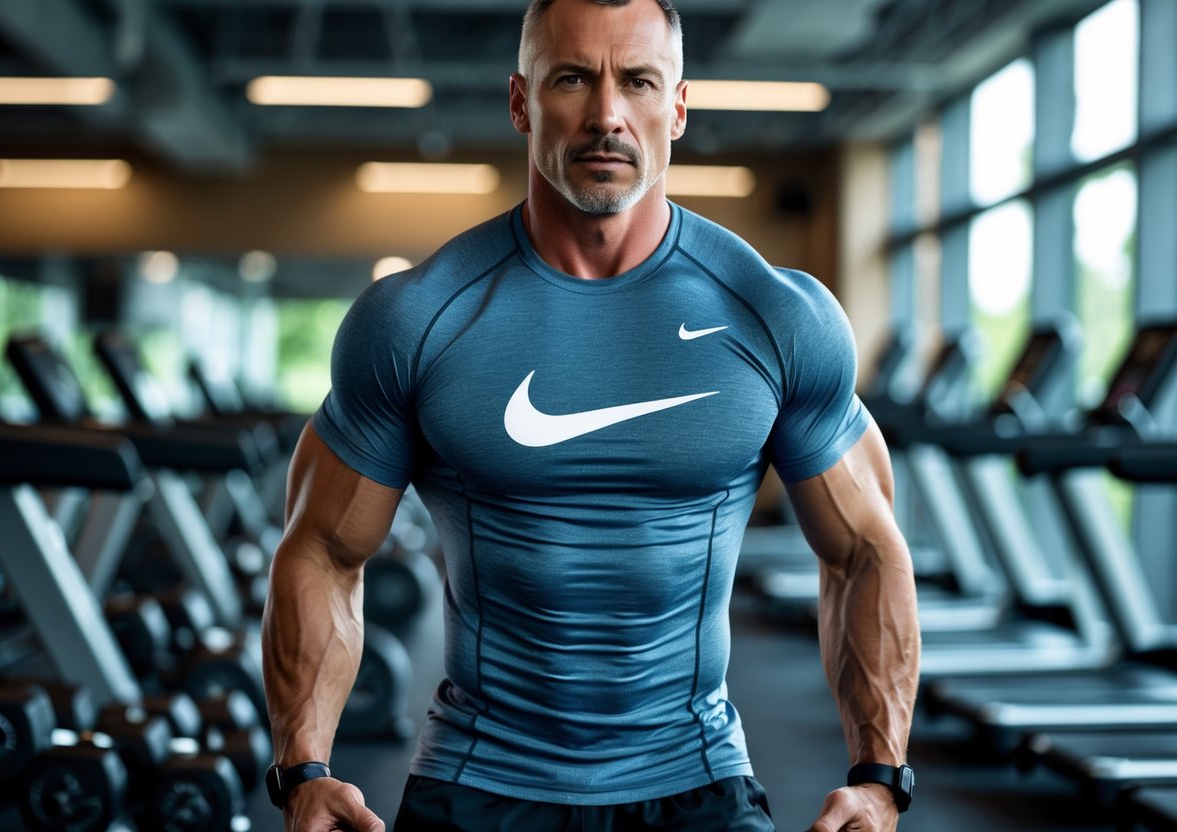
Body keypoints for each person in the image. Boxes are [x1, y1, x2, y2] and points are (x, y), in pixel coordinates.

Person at [261, 0, 921, 829]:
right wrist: (303, 770)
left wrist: (878, 773)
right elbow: (320, 550)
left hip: (698, 780)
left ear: (676, 106)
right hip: (479, 781)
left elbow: (865, 552)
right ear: (520, 102)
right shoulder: (418, 319)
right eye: (571, 78)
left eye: (638, 81)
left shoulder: (774, 315)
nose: (606, 115)